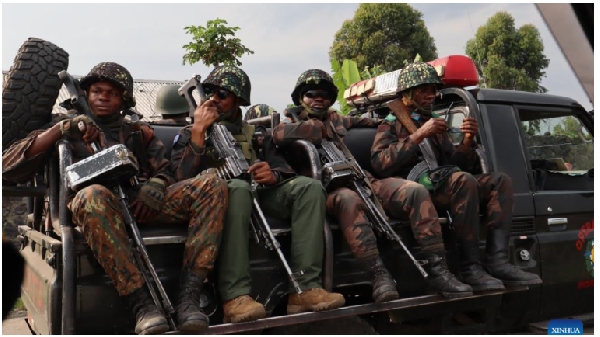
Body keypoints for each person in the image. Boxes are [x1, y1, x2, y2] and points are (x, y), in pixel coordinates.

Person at [2, 62, 229, 334]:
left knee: (212, 184)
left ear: (124, 100)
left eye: (112, 92)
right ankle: (142, 305)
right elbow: (8, 165)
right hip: (95, 211)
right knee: (92, 195)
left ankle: (190, 298)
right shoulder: (65, 129)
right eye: (96, 90)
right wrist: (62, 130)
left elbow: (169, 170)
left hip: (138, 204)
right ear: (85, 94)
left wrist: (155, 185)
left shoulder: (137, 132)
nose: (103, 96)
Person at [272, 69, 473, 301]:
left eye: (325, 95)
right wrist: (315, 129)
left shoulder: (337, 119)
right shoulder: (290, 122)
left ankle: (439, 270)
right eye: (311, 94)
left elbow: (372, 121)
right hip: (326, 190)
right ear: (300, 98)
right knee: (349, 200)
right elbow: (278, 135)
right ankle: (378, 275)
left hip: (363, 178)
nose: (319, 99)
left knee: (414, 191)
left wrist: (400, 120)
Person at [169, 65, 345, 323]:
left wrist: (272, 174)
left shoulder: (255, 134)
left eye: (223, 94)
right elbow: (179, 179)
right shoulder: (190, 133)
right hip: (219, 202)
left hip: (260, 194)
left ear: (239, 101)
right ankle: (235, 296)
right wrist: (198, 133)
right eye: (211, 92)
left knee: (309, 187)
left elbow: (280, 166)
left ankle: (305, 288)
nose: (214, 99)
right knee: (237, 188)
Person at [370, 62, 543, 290]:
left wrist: (468, 141)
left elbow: (455, 165)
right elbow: (380, 164)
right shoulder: (389, 124)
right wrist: (420, 135)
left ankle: (497, 261)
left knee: (499, 182)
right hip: (412, 193)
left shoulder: (432, 122)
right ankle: (470, 267)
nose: (431, 96)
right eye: (424, 90)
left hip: (441, 185)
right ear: (406, 94)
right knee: (462, 181)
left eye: (433, 90)